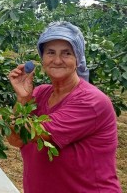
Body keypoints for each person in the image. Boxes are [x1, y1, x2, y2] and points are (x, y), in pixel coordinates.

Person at [7, 21, 121, 192]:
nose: (57, 60)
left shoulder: (91, 101)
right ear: (42, 58)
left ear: (78, 59)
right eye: (50, 52)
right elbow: (16, 139)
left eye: (66, 53)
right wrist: (23, 98)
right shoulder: (39, 94)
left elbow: (36, 131)